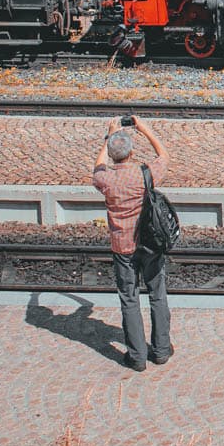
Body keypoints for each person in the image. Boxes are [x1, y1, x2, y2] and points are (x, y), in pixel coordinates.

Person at [92, 115, 172, 371]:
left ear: (112, 155)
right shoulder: (144, 174)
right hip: (149, 244)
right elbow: (164, 156)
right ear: (132, 153)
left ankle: (137, 357)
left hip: (122, 247)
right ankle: (161, 350)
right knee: (157, 295)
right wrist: (144, 129)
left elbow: (98, 166)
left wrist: (109, 135)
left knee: (129, 299)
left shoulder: (105, 180)